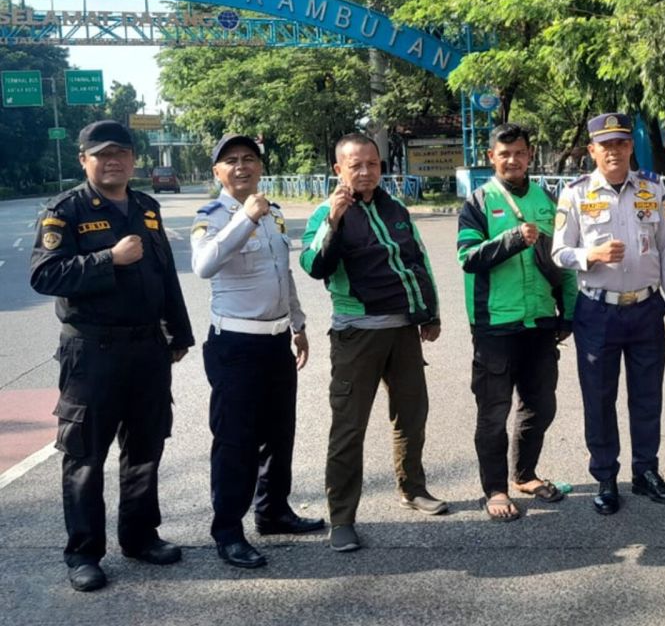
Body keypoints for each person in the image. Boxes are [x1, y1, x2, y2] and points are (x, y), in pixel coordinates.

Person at [29, 120, 193, 592]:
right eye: (102, 154)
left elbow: (164, 274)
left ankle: (140, 536)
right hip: (92, 350)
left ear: (134, 159)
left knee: (145, 447)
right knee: (85, 454)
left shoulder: (145, 207)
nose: (113, 160)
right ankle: (83, 552)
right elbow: (45, 275)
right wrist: (109, 259)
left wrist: (177, 333)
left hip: (147, 348)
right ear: (84, 160)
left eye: (121, 152)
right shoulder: (65, 211)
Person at [300, 133, 445, 553]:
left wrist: (429, 312)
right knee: (349, 428)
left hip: (402, 331)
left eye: (373, 164)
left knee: (412, 414)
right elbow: (313, 264)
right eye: (355, 165)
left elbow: (418, 259)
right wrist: (332, 220)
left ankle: (412, 488)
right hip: (357, 333)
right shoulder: (327, 212)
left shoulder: (394, 207)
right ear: (338, 169)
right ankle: (342, 518)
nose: (365, 172)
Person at [191, 135, 324, 569]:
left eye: (249, 159)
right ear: (218, 172)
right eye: (231, 161)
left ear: (261, 166)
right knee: (236, 442)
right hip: (236, 345)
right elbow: (203, 265)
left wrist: (299, 323)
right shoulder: (211, 215)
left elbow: (282, 273)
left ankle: (273, 512)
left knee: (279, 433)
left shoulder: (275, 213)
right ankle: (228, 531)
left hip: (276, 339)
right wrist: (244, 219)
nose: (241, 166)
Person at [551, 112, 665, 515]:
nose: (614, 151)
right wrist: (588, 255)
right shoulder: (575, 193)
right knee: (600, 398)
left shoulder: (653, 188)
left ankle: (646, 472)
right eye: (605, 145)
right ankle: (606, 477)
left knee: (647, 397)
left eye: (621, 143)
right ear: (592, 150)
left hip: (647, 307)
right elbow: (559, 252)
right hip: (597, 310)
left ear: (631, 147)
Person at [457, 123, 578, 521]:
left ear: (529, 155)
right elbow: (468, 258)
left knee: (540, 405)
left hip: (541, 321)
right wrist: (511, 239)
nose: (512, 160)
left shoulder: (547, 199)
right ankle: (495, 489)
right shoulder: (477, 201)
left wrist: (569, 313)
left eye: (520, 153)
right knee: (493, 411)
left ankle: (525, 475)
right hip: (496, 325)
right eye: (504, 153)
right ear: (492, 156)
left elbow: (564, 262)